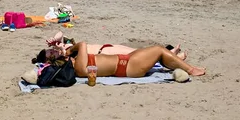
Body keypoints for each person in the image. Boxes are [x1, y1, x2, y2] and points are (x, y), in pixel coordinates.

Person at [60, 41, 205, 78]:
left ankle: (179, 63)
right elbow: (83, 44)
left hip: (127, 62)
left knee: (157, 52)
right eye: (68, 59)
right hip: (128, 67)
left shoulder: (79, 65)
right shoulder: (79, 68)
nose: (71, 59)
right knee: (159, 50)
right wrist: (70, 50)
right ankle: (190, 69)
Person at [43, 32, 189, 60]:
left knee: (141, 52)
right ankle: (173, 56)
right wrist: (62, 51)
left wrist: (54, 40)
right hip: (106, 54)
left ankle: (170, 53)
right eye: (51, 53)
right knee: (142, 54)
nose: (53, 50)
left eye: (50, 50)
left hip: (108, 47)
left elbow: (60, 32)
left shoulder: (65, 45)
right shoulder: (64, 58)